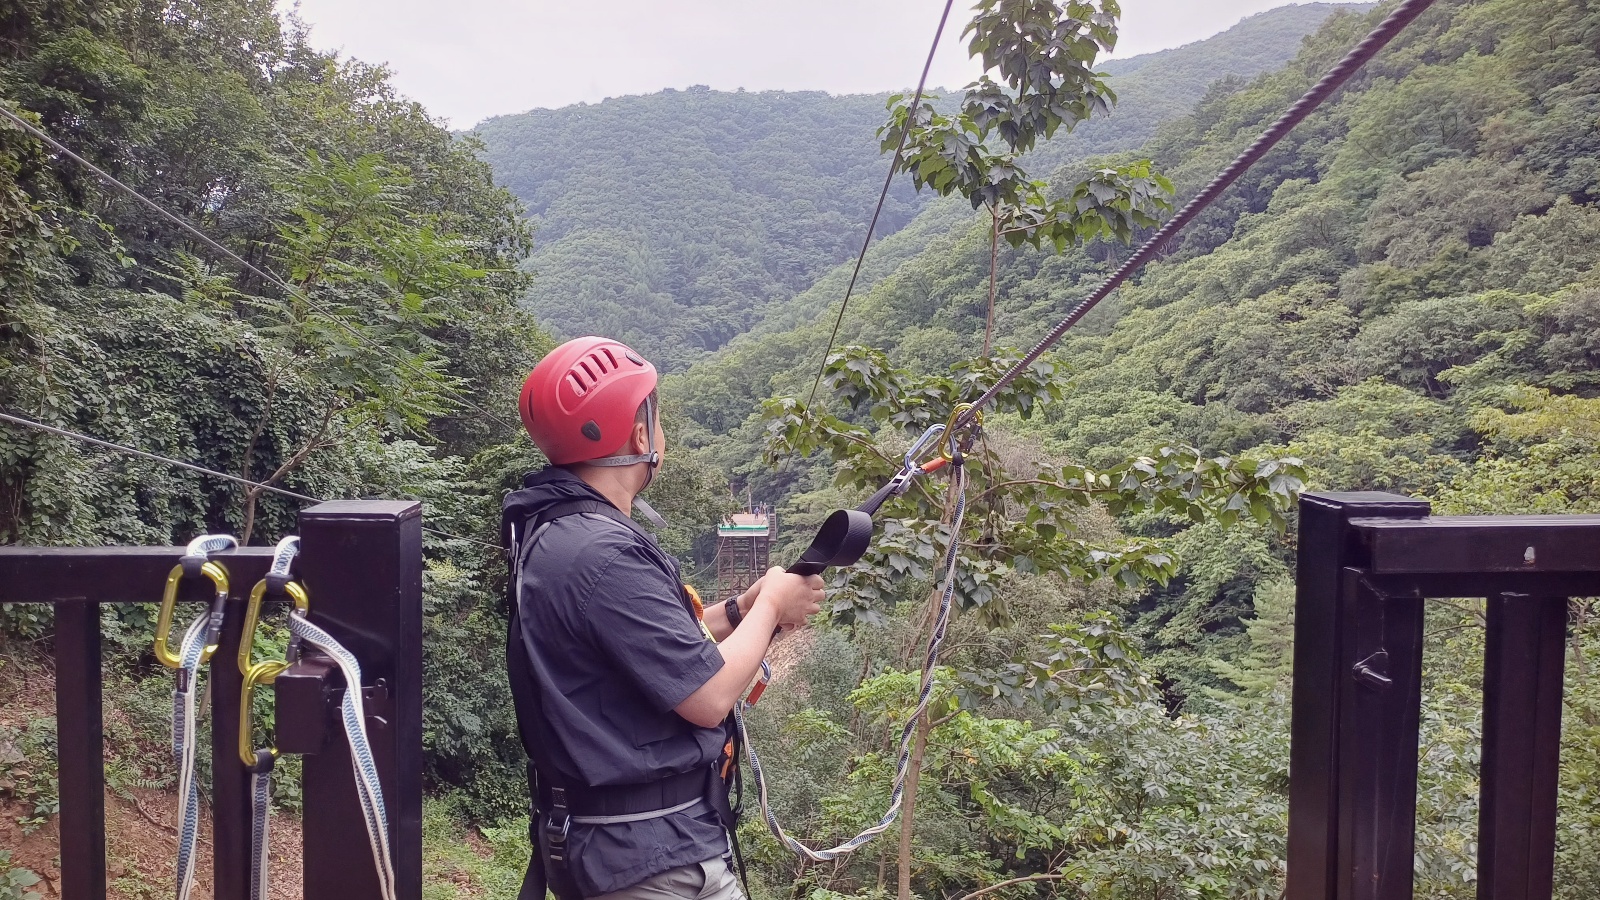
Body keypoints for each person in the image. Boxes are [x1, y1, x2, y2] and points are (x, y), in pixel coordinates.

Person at [503, 336, 824, 900]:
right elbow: (706, 695)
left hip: (622, 848)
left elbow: (657, 652)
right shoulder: (605, 554)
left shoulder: (560, 532)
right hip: (652, 860)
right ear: (639, 434)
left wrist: (740, 611)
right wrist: (772, 604)